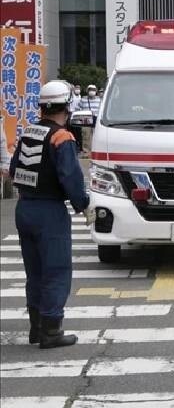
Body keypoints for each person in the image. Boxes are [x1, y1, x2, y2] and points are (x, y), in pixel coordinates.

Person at [9, 80, 90, 349]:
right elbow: (71, 178)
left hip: (25, 208)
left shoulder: (29, 132)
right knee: (56, 270)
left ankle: (36, 328)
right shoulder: (62, 137)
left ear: (42, 107)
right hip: (49, 211)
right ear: (67, 106)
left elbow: (13, 170)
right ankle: (51, 331)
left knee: (35, 272)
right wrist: (83, 204)